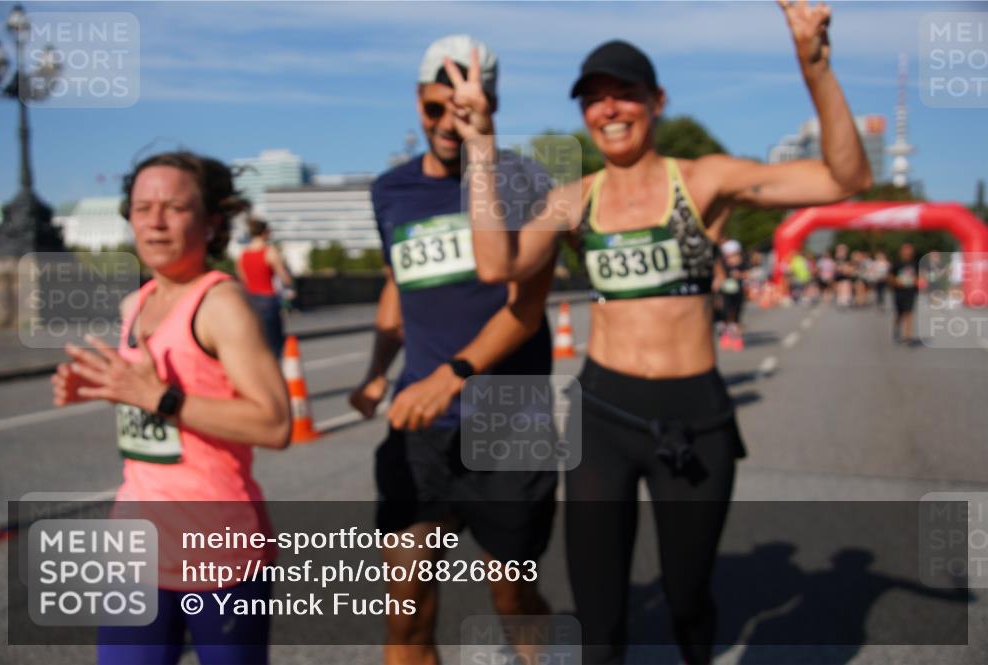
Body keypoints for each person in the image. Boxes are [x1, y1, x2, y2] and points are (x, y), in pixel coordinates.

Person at [451, 1, 872, 661]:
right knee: (598, 612)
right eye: (594, 99)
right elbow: (495, 265)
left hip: (693, 416)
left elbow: (846, 178)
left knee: (687, 598)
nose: (609, 109)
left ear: (657, 100)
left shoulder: (703, 180)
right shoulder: (574, 199)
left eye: (624, 93)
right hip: (604, 415)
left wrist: (813, 65)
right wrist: (481, 144)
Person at [348, 35, 557, 665]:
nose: (447, 123)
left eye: (464, 108)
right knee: (405, 609)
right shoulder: (390, 191)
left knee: (512, 597)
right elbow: (398, 284)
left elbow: (525, 309)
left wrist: (452, 375)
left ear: (491, 105)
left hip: (508, 426)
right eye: (435, 108)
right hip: (423, 432)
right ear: (418, 103)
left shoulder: (528, 182)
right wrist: (375, 371)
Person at [52, 151, 292, 664]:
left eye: (175, 208)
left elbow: (274, 424)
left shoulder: (220, 305)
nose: (155, 221)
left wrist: (159, 399)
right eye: (142, 208)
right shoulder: (135, 303)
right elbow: (150, 407)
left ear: (211, 223)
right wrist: (103, 385)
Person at [237, 218, 294, 358]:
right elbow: (285, 278)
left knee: (255, 342)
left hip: (250, 301)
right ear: (264, 232)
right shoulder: (270, 251)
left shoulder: (243, 254)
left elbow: (242, 280)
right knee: (274, 345)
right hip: (268, 300)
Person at [717, 239, 746, 350]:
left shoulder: (742, 265)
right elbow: (718, 279)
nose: (734, 258)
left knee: (736, 317)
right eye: (730, 256)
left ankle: (737, 338)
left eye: (736, 255)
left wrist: (740, 275)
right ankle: (726, 336)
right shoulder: (722, 267)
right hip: (725, 294)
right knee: (726, 314)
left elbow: (749, 275)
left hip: (738, 294)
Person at [890, 243, 921, 345]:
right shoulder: (897, 264)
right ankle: (897, 328)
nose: (908, 253)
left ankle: (908, 336)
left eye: (910, 251)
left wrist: (917, 281)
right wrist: (897, 282)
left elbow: (919, 277)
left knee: (908, 313)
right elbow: (890, 277)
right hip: (899, 292)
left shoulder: (915, 264)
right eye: (906, 251)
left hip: (910, 292)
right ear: (901, 252)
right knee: (899, 314)